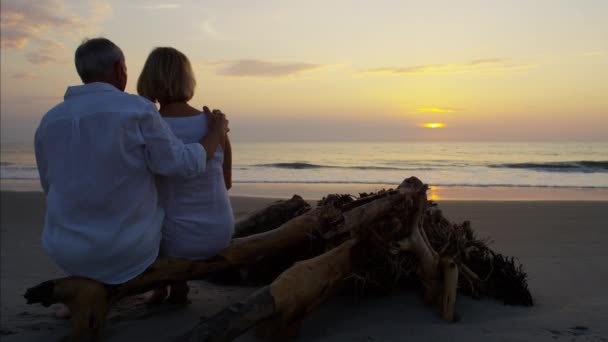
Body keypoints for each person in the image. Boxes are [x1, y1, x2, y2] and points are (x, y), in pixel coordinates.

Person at [34, 38, 228, 315]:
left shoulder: (49, 121)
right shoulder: (137, 109)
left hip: (65, 252)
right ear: (120, 69)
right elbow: (181, 164)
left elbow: (47, 185)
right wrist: (215, 134)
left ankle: (89, 289)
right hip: (126, 251)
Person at [137, 47, 234, 303]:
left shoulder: (149, 128)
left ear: (149, 81)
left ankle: (162, 287)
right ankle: (178, 288)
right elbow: (227, 182)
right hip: (220, 232)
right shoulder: (214, 124)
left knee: (152, 210)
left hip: (176, 243)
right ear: (188, 80)